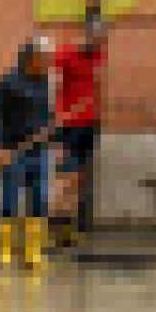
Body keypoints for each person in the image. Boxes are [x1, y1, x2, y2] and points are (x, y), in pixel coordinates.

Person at [0, 36, 55, 270]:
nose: (48, 62)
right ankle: (5, 252)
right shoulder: (7, 82)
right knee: (9, 201)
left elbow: (50, 115)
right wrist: (0, 147)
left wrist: (51, 130)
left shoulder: (48, 84)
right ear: (31, 57)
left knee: (39, 201)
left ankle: (33, 253)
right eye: (45, 58)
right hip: (13, 151)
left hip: (40, 152)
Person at [52, 17, 108, 247]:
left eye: (102, 41)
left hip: (89, 125)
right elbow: (53, 88)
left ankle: (68, 231)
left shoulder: (98, 56)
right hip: (68, 125)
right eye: (97, 40)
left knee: (79, 179)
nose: (100, 45)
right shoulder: (64, 54)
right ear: (87, 35)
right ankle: (54, 227)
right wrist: (56, 120)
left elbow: (96, 87)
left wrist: (97, 115)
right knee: (66, 178)